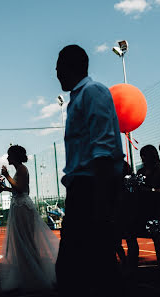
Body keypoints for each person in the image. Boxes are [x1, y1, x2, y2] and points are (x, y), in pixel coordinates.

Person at [55, 44, 124, 297]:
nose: (55, 73)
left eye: (57, 67)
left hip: (91, 188)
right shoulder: (77, 99)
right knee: (97, 266)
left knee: (75, 269)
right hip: (84, 188)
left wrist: (102, 205)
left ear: (67, 67)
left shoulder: (92, 92)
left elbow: (103, 149)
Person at [0, 145, 60, 293]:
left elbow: (20, 189)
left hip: (22, 208)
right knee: (22, 241)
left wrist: (6, 176)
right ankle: (28, 275)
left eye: (9, 155)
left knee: (25, 240)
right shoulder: (20, 170)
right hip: (19, 206)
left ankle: (34, 276)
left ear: (14, 156)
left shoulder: (22, 169)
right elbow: (21, 188)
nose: (7, 157)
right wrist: (5, 188)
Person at [136, 145, 160, 268]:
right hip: (145, 207)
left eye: (144, 155)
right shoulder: (141, 172)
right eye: (141, 155)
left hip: (156, 207)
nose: (142, 158)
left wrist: (150, 190)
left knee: (157, 237)